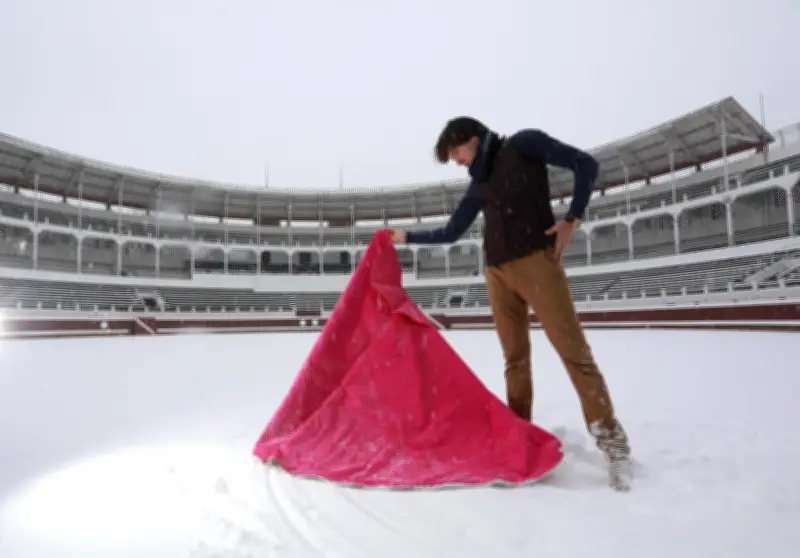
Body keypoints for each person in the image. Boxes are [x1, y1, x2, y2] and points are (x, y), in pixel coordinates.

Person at [389, 117, 632, 490]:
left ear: (471, 140)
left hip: (537, 262)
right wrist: (404, 237)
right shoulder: (479, 183)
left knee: (573, 352)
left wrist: (572, 219)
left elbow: (587, 164)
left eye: (456, 152)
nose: (457, 161)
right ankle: (518, 436)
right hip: (496, 274)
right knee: (514, 360)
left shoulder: (523, 145)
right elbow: (452, 232)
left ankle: (612, 442)